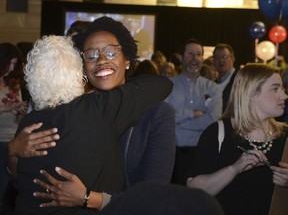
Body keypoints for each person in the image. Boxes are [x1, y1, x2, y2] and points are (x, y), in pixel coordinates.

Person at [5, 16, 176, 210]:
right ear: (82, 67)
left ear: (127, 60)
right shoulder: (65, 112)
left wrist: (90, 198)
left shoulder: (157, 115)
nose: (102, 60)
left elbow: (153, 199)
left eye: (111, 52)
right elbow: (27, 185)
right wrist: (12, 155)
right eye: (91, 55)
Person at [187, 63, 288, 215]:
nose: (284, 95)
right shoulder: (217, 133)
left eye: (282, 88)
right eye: (275, 88)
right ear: (251, 93)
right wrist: (233, 169)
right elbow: (194, 190)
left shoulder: (285, 135)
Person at [165, 38, 222, 185]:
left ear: (203, 58)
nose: (194, 58)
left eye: (198, 54)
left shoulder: (213, 89)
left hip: (201, 154)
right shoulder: (168, 86)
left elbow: (213, 121)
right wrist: (192, 114)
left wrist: (180, 122)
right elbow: (166, 118)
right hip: (173, 155)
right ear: (182, 57)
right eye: (190, 54)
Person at [0, 43, 27, 206]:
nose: (11, 68)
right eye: (9, 63)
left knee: (5, 183)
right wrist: (10, 107)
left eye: (14, 64)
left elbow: (17, 116)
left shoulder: (14, 84)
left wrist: (21, 112)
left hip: (11, 138)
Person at [213, 43, 237, 112]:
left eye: (225, 57)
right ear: (213, 61)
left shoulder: (240, 79)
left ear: (233, 59)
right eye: (217, 58)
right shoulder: (212, 85)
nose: (221, 61)